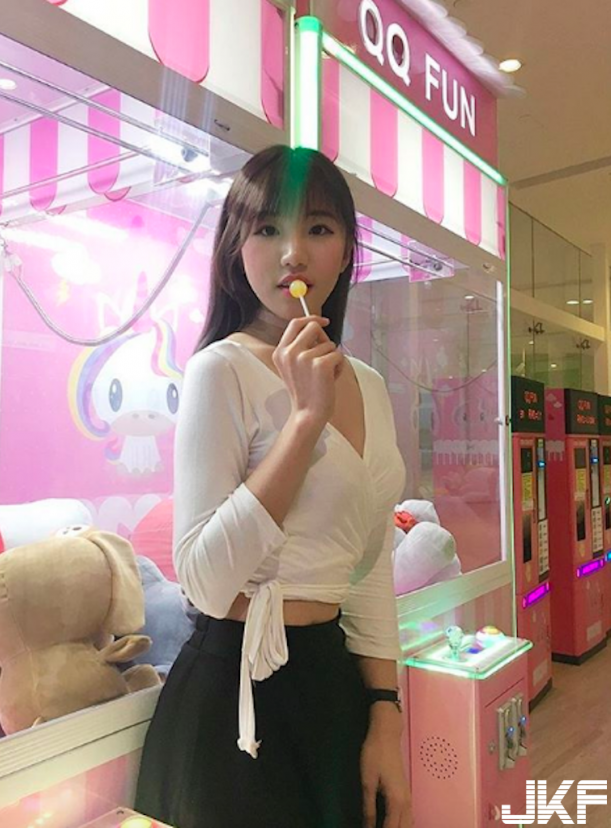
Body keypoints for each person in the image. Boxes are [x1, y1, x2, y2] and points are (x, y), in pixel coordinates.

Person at [135, 145, 413, 828]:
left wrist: (385, 711)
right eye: (266, 229)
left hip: (331, 681)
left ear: (346, 252)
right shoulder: (221, 369)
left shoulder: (371, 386)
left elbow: (369, 566)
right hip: (233, 694)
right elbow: (203, 582)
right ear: (237, 250)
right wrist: (305, 421)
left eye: (318, 228)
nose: (293, 252)